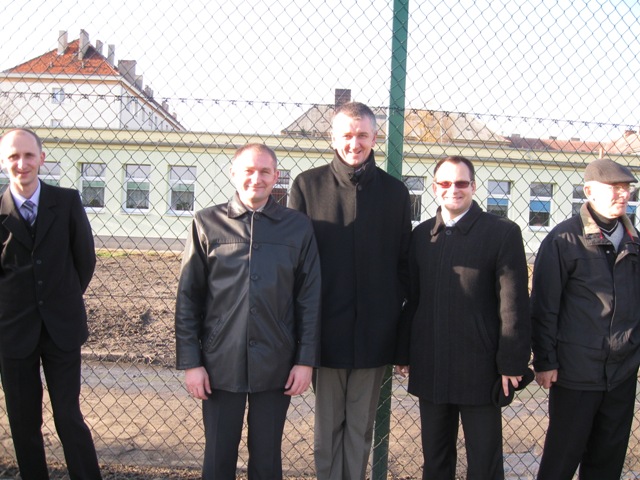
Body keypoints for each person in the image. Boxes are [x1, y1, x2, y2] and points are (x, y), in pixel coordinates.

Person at [175, 143, 321, 480]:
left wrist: (305, 360)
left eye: (265, 171)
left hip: (276, 362)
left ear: (276, 176)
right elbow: (188, 298)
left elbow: (309, 298)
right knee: (218, 456)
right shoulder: (207, 223)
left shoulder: (297, 227)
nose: (257, 178)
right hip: (219, 362)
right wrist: (192, 363)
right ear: (233, 173)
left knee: (267, 458)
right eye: (249, 171)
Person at [289, 101, 411, 480]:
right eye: (346, 135)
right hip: (325, 334)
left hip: (374, 335)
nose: (354, 143)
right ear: (332, 138)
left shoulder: (395, 193)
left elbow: (403, 264)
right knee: (327, 432)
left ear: (375, 138)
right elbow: (296, 266)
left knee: (360, 430)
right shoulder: (307, 186)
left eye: (362, 135)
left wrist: (393, 327)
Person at [395, 155, 531, 480]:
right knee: (436, 459)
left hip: (480, 368)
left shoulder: (502, 232)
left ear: (473, 186)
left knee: (484, 462)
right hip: (432, 363)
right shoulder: (421, 236)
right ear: (434, 187)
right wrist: (404, 352)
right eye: (445, 183)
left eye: (460, 183)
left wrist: (512, 362)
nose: (453, 189)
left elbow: (513, 304)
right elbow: (413, 299)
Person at [0, 128, 101, 479]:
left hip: (62, 327)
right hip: (12, 332)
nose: (22, 164)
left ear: (42, 158)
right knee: (23, 420)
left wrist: (62, 299)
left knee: (68, 416)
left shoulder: (66, 201)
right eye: (13, 156)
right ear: (4, 162)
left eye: (29, 155)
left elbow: (84, 260)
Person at [531, 158, 640, 480]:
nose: (623, 195)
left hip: (621, 374)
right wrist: (545, 361)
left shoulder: (634, 241)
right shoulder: (564, 239)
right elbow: (544, 306)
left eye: (626, 188)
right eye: (614, 188)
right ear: (589, 191)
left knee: (607, 462)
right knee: (561, 461)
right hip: (576, 373)